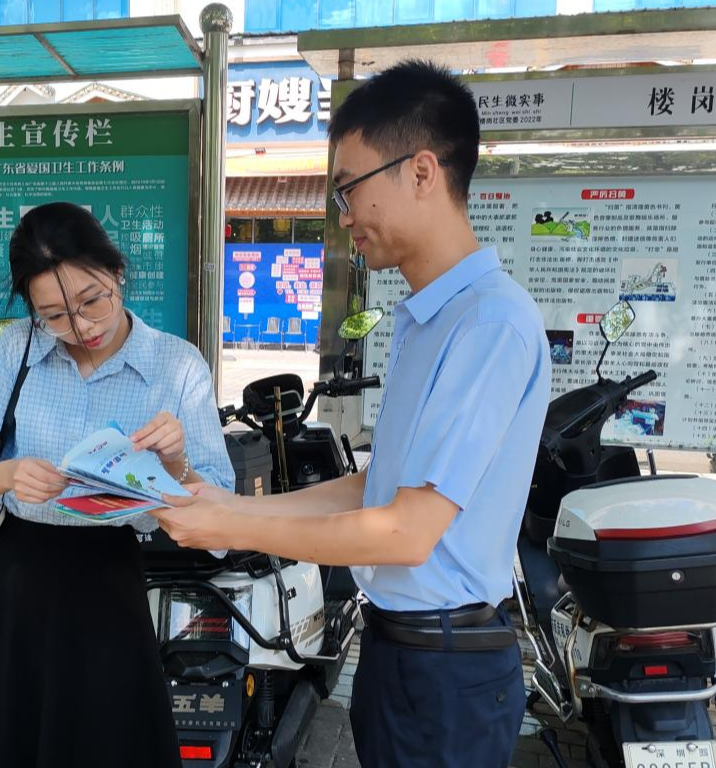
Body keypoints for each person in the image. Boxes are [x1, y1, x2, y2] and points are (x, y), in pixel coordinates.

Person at [152, 60, 550, 768]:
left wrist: (227, 524)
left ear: (421, 172)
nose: (345, 217)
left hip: (445, 671)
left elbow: (404, 532)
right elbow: (374, 489)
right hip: (404, 654)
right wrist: (228, 506)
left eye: (349, 189)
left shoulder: (488, 324)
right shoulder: (428, 320)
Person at [0, 202, 235, 768]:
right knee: (7, 742)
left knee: (105, 740)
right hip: (16, 585)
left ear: (116, 271)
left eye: (93, 301)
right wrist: (9, 475)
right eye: (55, 315)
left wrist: (176, 464)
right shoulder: (14, 351)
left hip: (107, 585)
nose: (82, 327)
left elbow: (217, 506)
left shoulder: (177, 365)